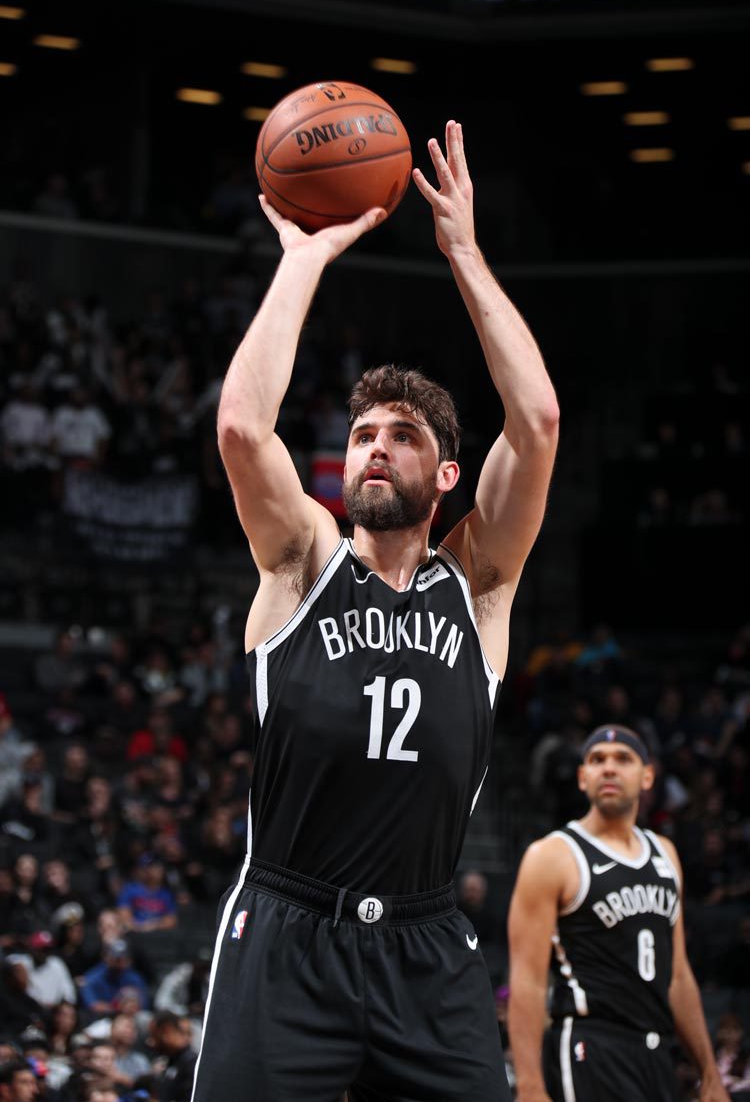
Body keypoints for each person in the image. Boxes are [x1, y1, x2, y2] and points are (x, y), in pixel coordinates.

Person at [193, 118, 559, 1101]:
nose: (375, 448)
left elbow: (539, 422)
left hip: (427, 943)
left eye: (401, 435)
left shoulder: (477, 581)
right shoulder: (301, 560)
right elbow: (239, 424)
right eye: (360, 435)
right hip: (288, 932)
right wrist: (304, 257)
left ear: (446, 472)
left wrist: (467, 256)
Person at [507, 723, 729, 1102]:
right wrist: (529, 1086)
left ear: (647, 776)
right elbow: (527, 981)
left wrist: (709, 1073)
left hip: (657, 1051)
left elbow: (676, 975)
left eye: (623, 759)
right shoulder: (552, 856)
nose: (608, 768)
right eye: (596, 760)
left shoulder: (666, 854)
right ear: (582, 778)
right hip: (589, 1045)